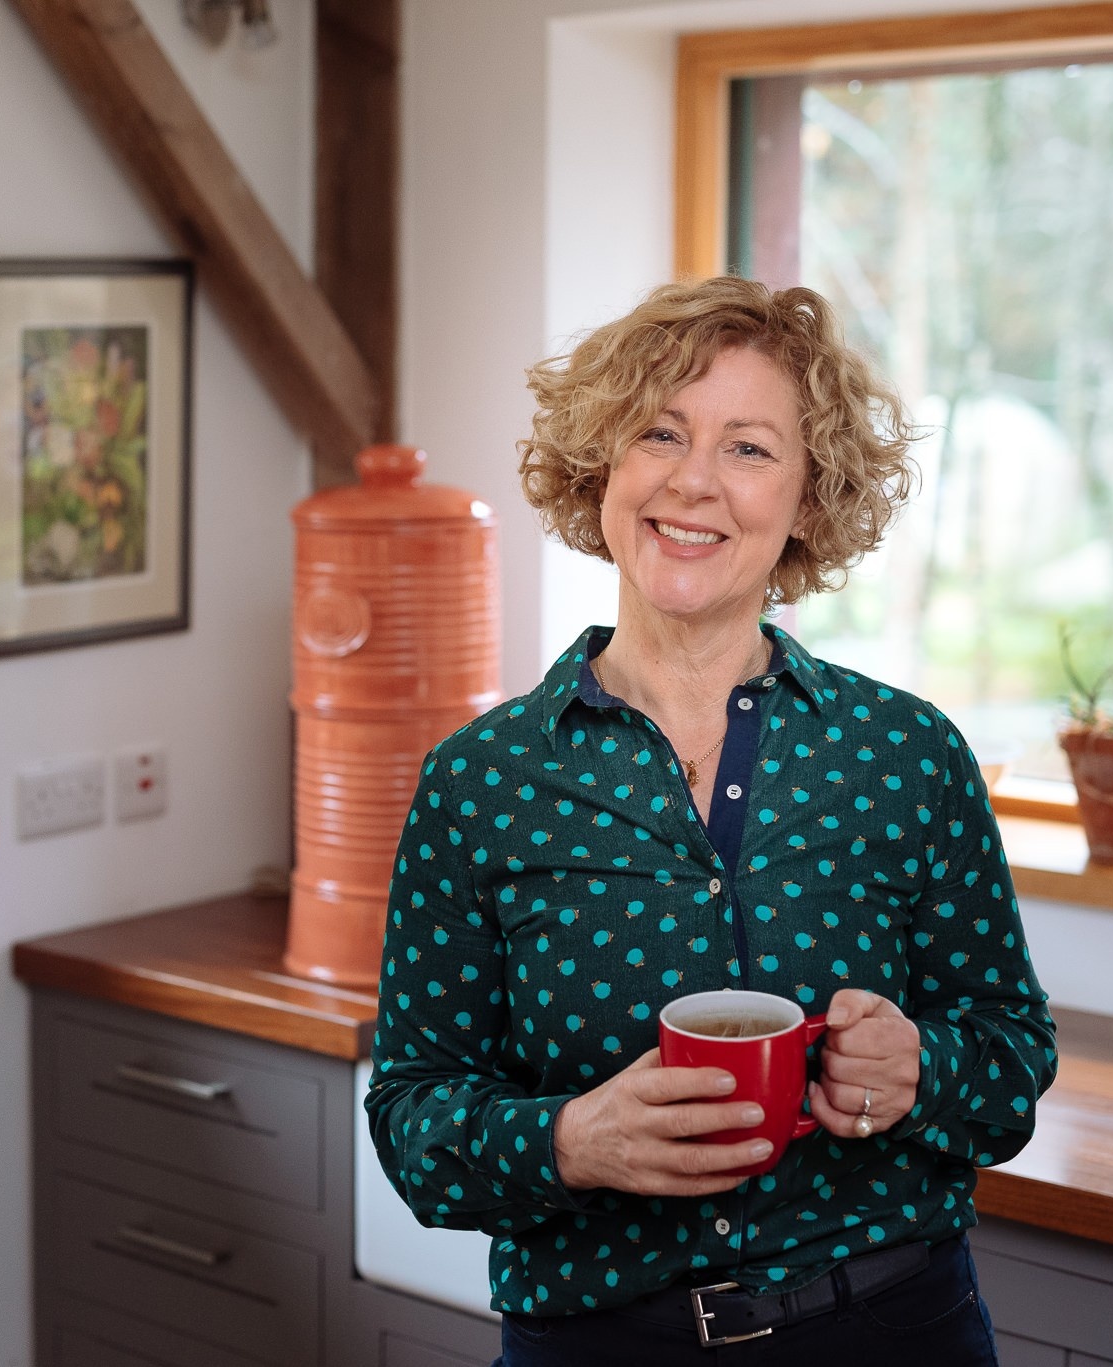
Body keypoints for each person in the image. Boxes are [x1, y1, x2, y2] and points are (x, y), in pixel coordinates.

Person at [364, 277, 1057, 1366]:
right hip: (595, 1344)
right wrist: (567, 1139)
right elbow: (411, 1115)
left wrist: (920, 1067)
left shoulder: (907, 755)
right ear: (600, 461)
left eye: (747, 448)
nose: (692, 481)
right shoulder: (479, 781)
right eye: (658, 432)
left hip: (887, 1329)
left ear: (806, 498)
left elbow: (1011, 1056)